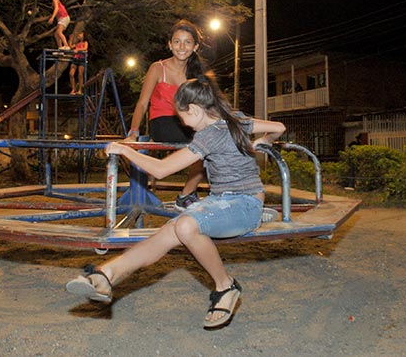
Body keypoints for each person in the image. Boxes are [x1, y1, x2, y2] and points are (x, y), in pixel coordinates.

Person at [66, 74, 286, 329]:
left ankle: (226, 286)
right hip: (222, 202)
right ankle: (107, 275)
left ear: (194, 110)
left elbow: (161, 170)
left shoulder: (209, 135)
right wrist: (264, 141)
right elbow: (279, 127)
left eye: (182, 117)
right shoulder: (236, 119)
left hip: (244, 204)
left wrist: (125, 149)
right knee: (170, 231)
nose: (183, 123)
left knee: (185, 226)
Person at [125, 19, 209, 209]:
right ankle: (186, 195)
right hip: (162, 122)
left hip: (188, 123)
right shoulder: (158, 68)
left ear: (195, 47)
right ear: (170, 45)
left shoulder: (195, 74)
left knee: (211, 142)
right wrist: (134, 131)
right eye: (177, 41)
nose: (182, 47)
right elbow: (142, 102)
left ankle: (187, 194)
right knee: (203, 143)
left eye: (187, 42)